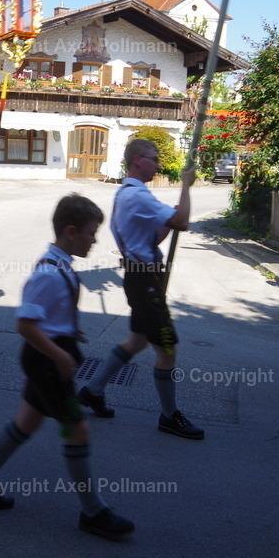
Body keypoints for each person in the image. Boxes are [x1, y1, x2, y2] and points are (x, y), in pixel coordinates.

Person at [0, 194, 134, 540]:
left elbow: (49, 314)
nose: (95, 240)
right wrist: (59, 354)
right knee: (78, 428)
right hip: (47, 363)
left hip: (51, 355)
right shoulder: (48, 274)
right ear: (71, 232)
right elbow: (25, 324)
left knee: (27, 421)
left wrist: (69, 329)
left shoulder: (62, 264)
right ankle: (93, 512)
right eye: (91, 233)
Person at [77, 138, 203, 439]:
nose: (158, 164)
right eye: (154, 158)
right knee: (168, 349)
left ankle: (93, 390)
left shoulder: (128, 194)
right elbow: (184, 221)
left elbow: (150, 239)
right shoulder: (137, 196)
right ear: (137, 160)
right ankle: (169, 415)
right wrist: (186, 186)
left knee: (135, 342)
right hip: (144, 279)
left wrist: (167, 223)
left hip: (141, 275)